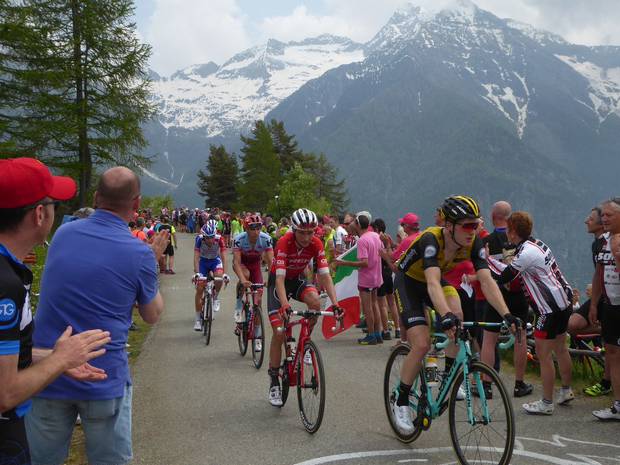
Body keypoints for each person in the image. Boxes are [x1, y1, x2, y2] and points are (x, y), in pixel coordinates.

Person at [25, 166, 166, 465]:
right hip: (103, 377)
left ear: (97, 197)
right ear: (137, 203)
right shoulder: (139, 253)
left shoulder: (64, 232)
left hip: (48, 370)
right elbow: (151, 315)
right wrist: (151, 262)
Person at [0, 158, 110, 464]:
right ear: (39, 214)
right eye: (54, 205)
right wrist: (61, 358)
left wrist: (54, 359)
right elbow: (4, 394)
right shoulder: (5, 285)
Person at [392, 196, 519, 433]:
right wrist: (444, 315)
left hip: (437, 280)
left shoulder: (475, 243)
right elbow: (431, 283)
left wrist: (507, 314)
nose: (473, 230)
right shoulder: (431, 240)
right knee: (421, 343)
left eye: (477, 224)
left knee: (458, 317)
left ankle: (449, 378)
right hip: (409, 282)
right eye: (467, 225)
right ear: (449, 226)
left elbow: (486, 280)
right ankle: (400, 399)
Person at [488, 211, 574, 415]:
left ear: (513, 232)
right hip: (564, 302)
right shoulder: (537, 244)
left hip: (547, 310)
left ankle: (546, 402)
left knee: (543, 355)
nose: (507, 234)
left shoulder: (525, 253)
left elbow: (504, 276)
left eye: (508, 230)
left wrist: (486, 260)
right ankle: (566, 390)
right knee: (561, 348)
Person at [266, 208, 341, 407]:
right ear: (294, 230)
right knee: (279, 332)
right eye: (302, 232)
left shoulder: (316, 243)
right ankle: (274, 378)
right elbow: (280, 279)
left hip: (298, 279)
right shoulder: (284, 242)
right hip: (278, 283)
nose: (307, 237)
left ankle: (305, 343)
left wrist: (335, 303)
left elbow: (325, 276)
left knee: (316, 303)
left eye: (311, 232)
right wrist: (284, 305)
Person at [479, 201, 532, 398]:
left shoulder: (487, 240)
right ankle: (519, 383)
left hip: (495, 294)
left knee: (489, 340)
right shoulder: (522, 241)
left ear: (493, 217)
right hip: (518, 296)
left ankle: (486, 386)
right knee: (520, 337)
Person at [568, 206, 611, 397]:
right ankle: (608, 329)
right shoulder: (596, 244)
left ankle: (606, 382)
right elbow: (598, 272)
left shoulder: (610, 243)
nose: (586, 220)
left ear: (602, 223)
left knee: (611, 347)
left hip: (610, 296)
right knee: (573, 324)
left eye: (590, 218)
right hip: (600, 296)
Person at [333, 211, 390, 345]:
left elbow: (364, 263)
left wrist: (344, 263)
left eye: (353, 223)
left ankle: (371, 335)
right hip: (377, 276)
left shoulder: (363, 240)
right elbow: (381, 252)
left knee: (368, 307)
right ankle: (377, 333)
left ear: (358, 224)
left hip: (366, 278)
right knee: (375, 304)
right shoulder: (375, 236)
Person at [589, 198, 620, 420]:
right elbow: (599, 273)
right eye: (604, 215)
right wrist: (593, 304)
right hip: (609, 306)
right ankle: (618, 405)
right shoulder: (603, 241)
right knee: (612, 353)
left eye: (609, 215)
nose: (604, 218)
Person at [232, 215, 274, 333]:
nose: (256, 232)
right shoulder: (238, 239)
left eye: (258, 228)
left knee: (258, 301)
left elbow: (271, 261)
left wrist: (271, 279)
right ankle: (239, 304)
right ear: (246, 228)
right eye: (252, 228)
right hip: (242, 265)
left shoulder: (266, 238)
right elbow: (236, 262)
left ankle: (257, 334)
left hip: (255, 266)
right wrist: (243, 280)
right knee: (245, 275)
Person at [193, 220, 227, 330]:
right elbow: (196, 257)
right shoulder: (199, 239)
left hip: (214, 261)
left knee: (219, 278)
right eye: (207, 237)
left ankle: (215, 297)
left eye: (212, 237)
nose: (210, 240)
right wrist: (197, 273)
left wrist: (225, 273)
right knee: (199, 289)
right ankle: (198, 319)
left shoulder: (219, 239)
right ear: (204, 236)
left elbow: (223, 257)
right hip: (203, 262)